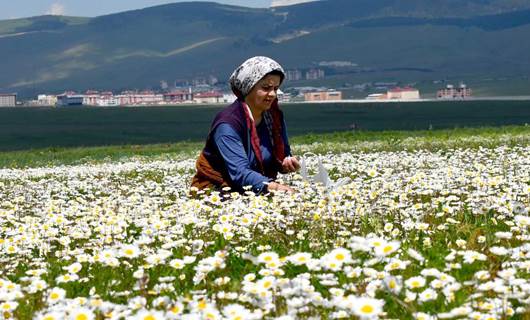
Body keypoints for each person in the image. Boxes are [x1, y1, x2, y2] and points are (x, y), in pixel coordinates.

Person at [191, 56, 300, 194]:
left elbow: (283, 152)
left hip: (258, 189)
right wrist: (278, 188)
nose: (272, 94)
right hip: (217, 191)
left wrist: (286, 163)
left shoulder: (274, 118)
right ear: (248, 88)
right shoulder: (227, 125)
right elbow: (240, 173)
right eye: (266, 88)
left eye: (276, 88)